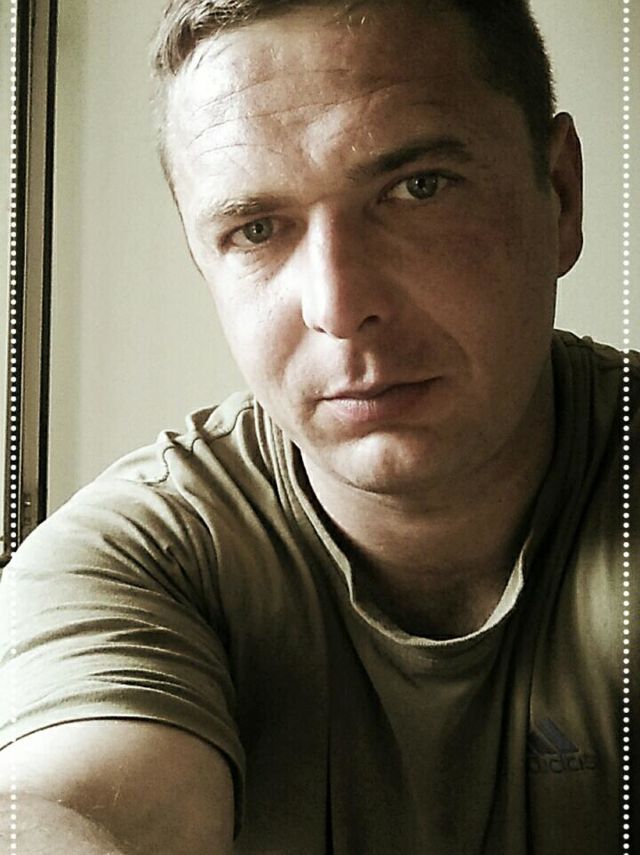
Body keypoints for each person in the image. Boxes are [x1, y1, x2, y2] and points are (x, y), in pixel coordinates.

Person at [0, 0, 636, 851]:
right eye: (256, 230)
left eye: (417, 188)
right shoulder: (136, 560)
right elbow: (70, 803)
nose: (338, 306)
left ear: (558, 195)